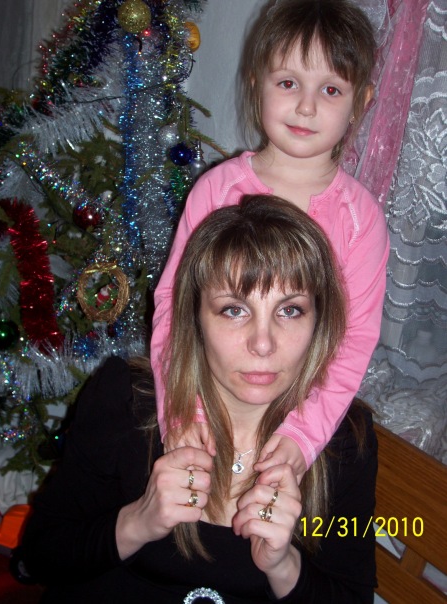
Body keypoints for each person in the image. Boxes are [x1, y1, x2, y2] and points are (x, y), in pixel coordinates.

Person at [21, 195, 377, 603]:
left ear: (319, 321)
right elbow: (41, 554)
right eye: (234, 310)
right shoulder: (126, 398)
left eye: (290, 310)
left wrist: (284, 566)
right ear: (195, 317)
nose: (263, 344)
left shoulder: (344, 441)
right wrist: (137, 521)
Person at [151, 0, 389, 478]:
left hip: (297, 428)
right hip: (207, 412)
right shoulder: (217, 192)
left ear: (361, 102)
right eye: (288, 83)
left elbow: (354, 339)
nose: (306, 106)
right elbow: (175, 305)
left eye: (330, 89)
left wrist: (304, 435)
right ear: (256, 81)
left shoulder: (360, 218)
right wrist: (181, 411)